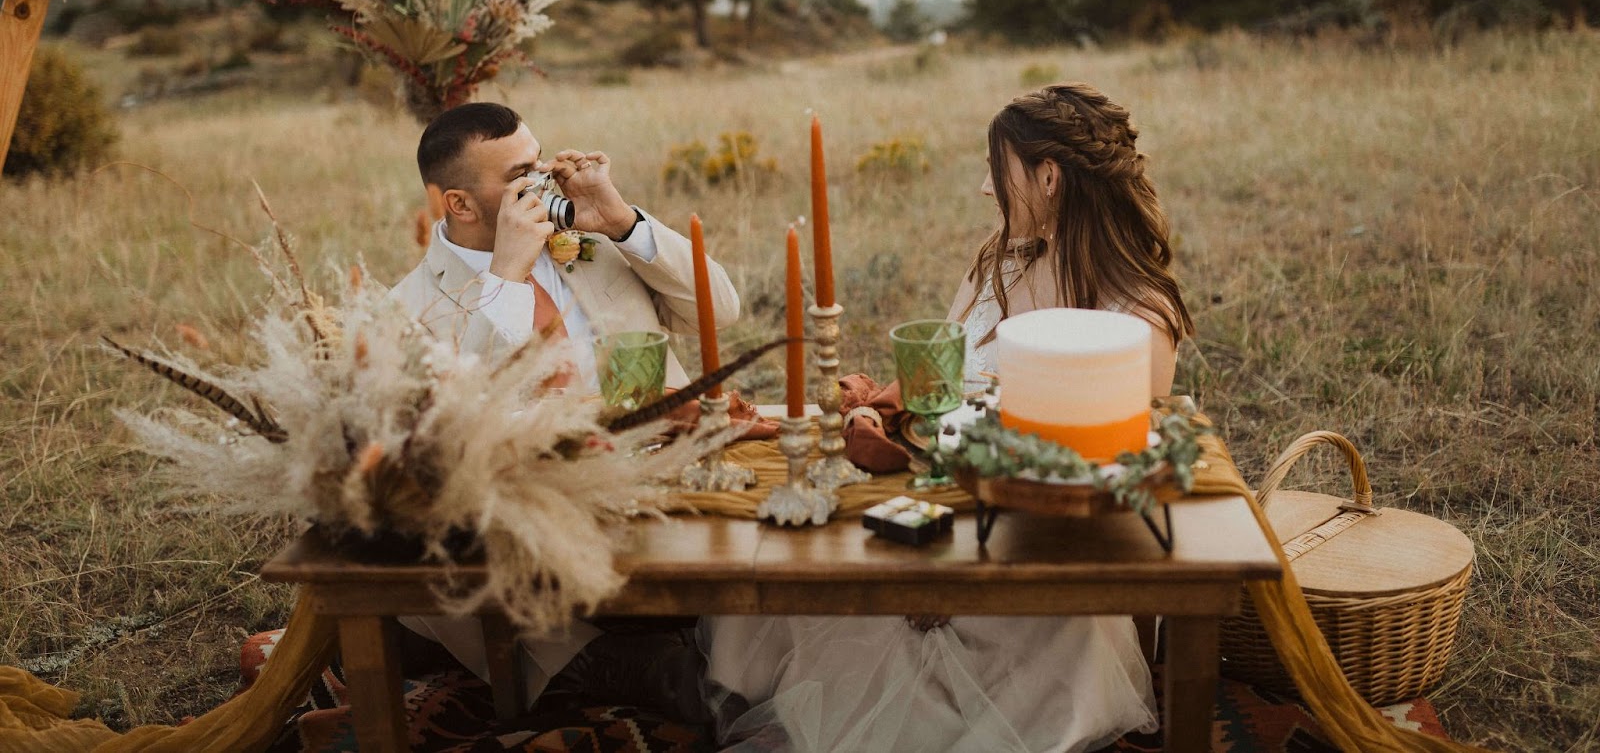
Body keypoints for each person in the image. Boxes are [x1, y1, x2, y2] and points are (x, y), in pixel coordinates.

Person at [700, 82, 1195, 752]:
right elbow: (945, 385)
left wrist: (956, 558)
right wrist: (885, 402)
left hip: (1048, 547)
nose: (985, 191)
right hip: (942, 499)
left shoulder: (1139, 316)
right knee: (785, 563)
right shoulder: (998, 263)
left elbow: (1102, 475)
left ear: (1049, 177)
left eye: (999, 172)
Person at [390, 101, 740, 722]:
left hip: (665, 481)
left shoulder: (591, 246)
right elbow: (453, 428)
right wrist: (505, 276)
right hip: (533, 516)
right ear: (461, 205)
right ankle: (590, 660)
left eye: (540, 162)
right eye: (520, 176)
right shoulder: (405, 309)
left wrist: (623, 219)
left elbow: (722, 311)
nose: (544, 182)